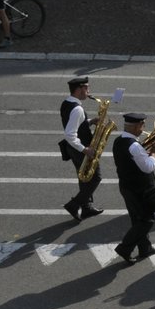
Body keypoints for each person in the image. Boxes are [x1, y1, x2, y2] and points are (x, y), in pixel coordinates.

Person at [112, 112, 155, 266]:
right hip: (140, 189)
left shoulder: (119, 140)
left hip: (127, 186)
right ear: (136, 126)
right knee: (146, 220)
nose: (144, 128)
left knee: (137, 218)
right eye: (142, 125)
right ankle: (125, 248)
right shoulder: (134, 146)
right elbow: (148, 167)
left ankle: (145, 247)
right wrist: (154, 153)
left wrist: (148, 154)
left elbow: (135, 161)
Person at [59, 76, 106, 222]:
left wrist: (90, 121)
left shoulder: (67, 103)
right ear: (79, 89)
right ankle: (74, 204)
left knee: (84, 177)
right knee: (95, 177)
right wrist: (84, 149)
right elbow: (70, 134)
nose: (88, 91)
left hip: (74, 149)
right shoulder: (77, 109)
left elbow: (74, 124)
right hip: (80, 149)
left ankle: (87, 208)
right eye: (86, 88)